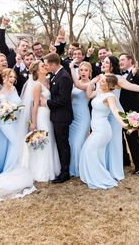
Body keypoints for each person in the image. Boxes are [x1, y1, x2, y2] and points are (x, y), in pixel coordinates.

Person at [79, 74, 127, 189]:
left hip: (103, 130)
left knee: (90, 151)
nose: (101, 82)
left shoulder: (110, 97)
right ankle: (94, 175)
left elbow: (115, 110)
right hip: (96, 129)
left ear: (110, 85)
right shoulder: (100, 92)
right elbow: (88, 94)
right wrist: (92, 82)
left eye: (103, 81)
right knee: (90, 151)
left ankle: (101, 178)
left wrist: (124, 123)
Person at [40, 53, 73, 183]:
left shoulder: (64, 76)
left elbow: (64, 100)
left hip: (62, 116)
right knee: (60, 144)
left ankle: (65, 173)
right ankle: (62, 170)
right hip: (57, 116)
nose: (46, 66)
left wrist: (47, 103)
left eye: (47, 64)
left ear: (53, 64)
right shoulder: (56, 75)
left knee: (63, 145)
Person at [28, 60, 61, 181]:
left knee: (51, 140)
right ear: (37, 70)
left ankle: (53, 168)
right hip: (42, 116)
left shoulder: (49, 81)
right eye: (43, 66)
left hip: (51, 115)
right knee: (44, 140)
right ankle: (42, 171)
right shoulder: (37, 85)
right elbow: (35, 105)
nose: (45, 66)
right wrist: (34, 123)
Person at [119, 53, 139, 175]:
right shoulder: (118, 75)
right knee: (120, 139)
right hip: (119, 111)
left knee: (133, 139)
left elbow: (138, 90)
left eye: (123, 59)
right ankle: (125, 161)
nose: (121, 62)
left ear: (130, 60)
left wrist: (132, 76)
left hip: (132, 112)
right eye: (119, 60)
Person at [68, 61, 92, 177]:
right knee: (71, 142)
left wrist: (72, 68)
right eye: (81, 70)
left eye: (86, 70)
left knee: (78, 142)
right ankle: (71, 167)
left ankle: (79, 168)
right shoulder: (74, 84)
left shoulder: (91, 84)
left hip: (83, 117)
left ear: (90, 72)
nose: (83, 72)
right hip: (73, 117)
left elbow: (79, 86)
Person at [0, 68, 23, 172]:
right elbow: (4, 107)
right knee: (17, 143)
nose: (12, 79)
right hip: (6, 123)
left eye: (14, 77)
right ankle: (9, 170)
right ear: (4, 77)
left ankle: (15, 168)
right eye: (10, 77)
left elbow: (19, 103)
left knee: (14, 145)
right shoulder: (1, 93)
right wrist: (9, 107)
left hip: (16, 122)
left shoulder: (13, 88)